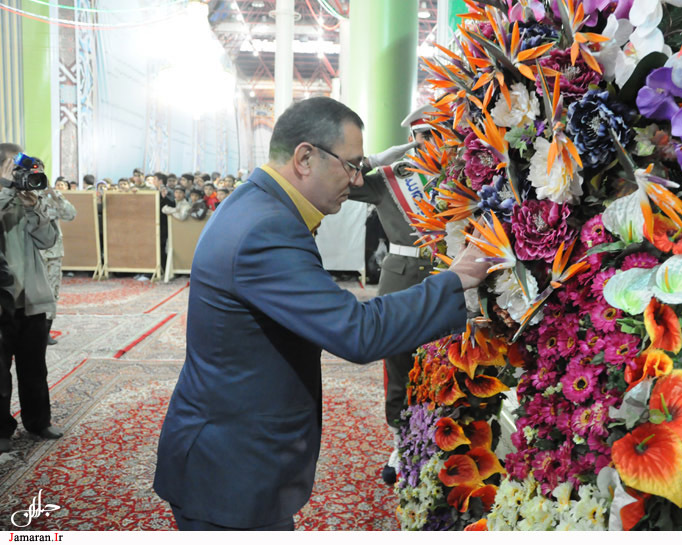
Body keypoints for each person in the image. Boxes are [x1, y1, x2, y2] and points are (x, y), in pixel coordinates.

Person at [153, 97, 489, 531]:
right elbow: (357, 332)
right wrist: (456, 280)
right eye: (351, 165)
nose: (357, 179)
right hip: (230, 467)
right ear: (305, 158)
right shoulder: (267, 228)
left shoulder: (258, 204)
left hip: (233, 447)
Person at [347, 104, 439, 485]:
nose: (430, 143)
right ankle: (400, 441)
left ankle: (437, 435)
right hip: (401, 278)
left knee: (443, 361)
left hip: (446, 276)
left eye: (436, 134)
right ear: (411, 139)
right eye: (423, 137)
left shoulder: (461, 177)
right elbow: (344, 183)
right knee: (399, 362)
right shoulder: (391, 178)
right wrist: (371, 160)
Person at [0, 143, 64, 453]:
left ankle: (39, 422)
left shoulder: (26, 198)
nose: (20, 173)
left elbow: (48, 240)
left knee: (35, 368)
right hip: (3, 302)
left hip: (32, 299)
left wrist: (34, 208)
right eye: (14, 167)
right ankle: (1, 430)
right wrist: (4, 189)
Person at [38, 180, 77, 345]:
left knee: (51, 292)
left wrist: (54, 195)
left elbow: (70, 215)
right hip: (30, 252)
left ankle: (45, 332)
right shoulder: (20, 195)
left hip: (52, 252)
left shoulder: (52, 196)